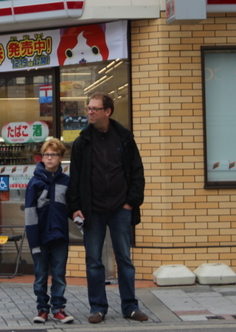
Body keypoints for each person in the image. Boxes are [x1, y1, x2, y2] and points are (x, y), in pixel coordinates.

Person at [66, 92, 148, 323]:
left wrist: (131, 202)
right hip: (92, 210)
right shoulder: (82, 142)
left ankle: (130, 307)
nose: (90, 112)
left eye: (95, 108)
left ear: (107, 112)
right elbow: (75, 178)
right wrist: (75, 207)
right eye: (89, 108)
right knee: (94, 261)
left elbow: (137, 172)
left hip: (121, 209)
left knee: (124, 259)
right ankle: (97, 308)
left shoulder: (124, 138)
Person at [25, 138, 75, 324]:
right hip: (39, 237)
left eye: (54, 155)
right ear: (42, 157)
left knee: (59, 275)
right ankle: (42, 309)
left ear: (61, 158)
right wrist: (33, 240)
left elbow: (70, 207)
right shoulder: (35, 183)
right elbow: (30, 213)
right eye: (46, 154)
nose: (49, 158)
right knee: (40, 275)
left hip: (60, 236)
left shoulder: (66, 182)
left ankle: (58, 309)